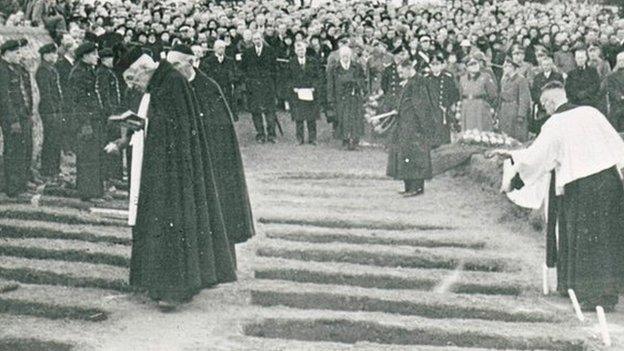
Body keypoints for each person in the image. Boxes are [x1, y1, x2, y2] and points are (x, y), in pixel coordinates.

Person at [108, 48, 237, 311]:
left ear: (143, 69)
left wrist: (146, 126)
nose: (134, 86)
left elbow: (172, 127)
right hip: (164, 169)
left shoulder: (171, 82)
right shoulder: (162, 82)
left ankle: (174, 290)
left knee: (174, 227)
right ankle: (160, 284)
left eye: (133, 80)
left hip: (173, 173)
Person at [494, 81, 624, 312]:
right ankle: (609, 294)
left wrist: (513, 175)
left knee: (585, 240)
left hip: (582, 186)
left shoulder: (555, 122)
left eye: (544, 106)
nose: (545, 110)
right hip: (610, 183)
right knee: (608, 237)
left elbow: (538, 157)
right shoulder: (592, 113)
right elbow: (617, 146)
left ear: (549, 102)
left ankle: (591, 295)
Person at [169, 45, 256, 262]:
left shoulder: (208, 87)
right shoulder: (172, 88)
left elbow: (220, 131)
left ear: (189, 63)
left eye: (175, 65)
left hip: (212, 162)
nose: (170, 71)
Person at [386, 61, 437, 197]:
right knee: (405, 155)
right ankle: (409, 186)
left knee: (415, 156)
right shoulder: (410, 82)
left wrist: (423, 127)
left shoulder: (418, 83)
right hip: (405, 125)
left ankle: (416, 188)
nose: (400, 75)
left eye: (402, 72)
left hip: (414, 127)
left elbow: (421, 107)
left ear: (409, 69)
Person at [67, 42, 104, 201]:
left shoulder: (88, 70)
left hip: (93, 119)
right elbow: (78, 102)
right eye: (94, 54)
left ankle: (94, 190)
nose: (97, 57)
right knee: (88, 156)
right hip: (85, 121)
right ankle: (87, 193)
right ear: (85, 56)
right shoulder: (79, 73)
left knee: (94, 155)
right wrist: (86, 124)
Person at [0, 39, 32, 197]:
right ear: (7, 53)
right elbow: (4, 98)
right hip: (11, 118)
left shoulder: (16, 68)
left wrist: (26, 113)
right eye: (16, 52)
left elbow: (24, 91)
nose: (19, 55)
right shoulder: (2, 69)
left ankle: (21, 184)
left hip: (22, 115)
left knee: (22, 150)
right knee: (13, 151)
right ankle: (12, 188)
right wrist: (13, 120)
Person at [241, 31, 278, 143]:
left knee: (270, 110)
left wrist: (271, 81)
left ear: (262, 39)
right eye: (255, 39)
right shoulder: (247, 52)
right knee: (256, 111)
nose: (257, 41)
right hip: (253, 86)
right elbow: (243, 68)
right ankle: (260, 134)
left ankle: (271, 134)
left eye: (258, 38)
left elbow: (274, 68)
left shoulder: (270, 51)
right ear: (252, 41)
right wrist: (248, 80)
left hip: (267, 85)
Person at [327, 46, 367, 150]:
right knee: (343, 119)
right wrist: (330, 99)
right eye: (343, 56)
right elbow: (330, 84)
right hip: (340, 97)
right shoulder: (334, 68)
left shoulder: (356, 66)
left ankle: (355, 141)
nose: (346, 58)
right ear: (340, 56)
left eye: (347, 56)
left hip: (354, 96)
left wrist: (356, 83)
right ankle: (345, 141)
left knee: (355, 118)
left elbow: (362, 79)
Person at [35, 43, 64, 180]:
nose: (55, 56)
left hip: (55, 110)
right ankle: (48, 170)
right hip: (49, 111)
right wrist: (53, 111)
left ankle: (54, 169)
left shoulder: (50, 68)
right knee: (50, 140)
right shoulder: (43, 70)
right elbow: (46, 94)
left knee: (55, 140)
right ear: (45, 55)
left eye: (56, 53)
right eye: (52, 53)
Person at [96, 48, 123, 183]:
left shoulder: (107, 72)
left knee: (114, 141)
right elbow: (104, 94)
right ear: (104, 59)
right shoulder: (103, 73)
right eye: (110, 58)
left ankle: (113, 174)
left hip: (113, 112)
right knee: (111, 142)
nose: (112, 61)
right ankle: (110, 174)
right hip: (109, 114)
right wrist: (110, 112)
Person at [288, 41, 322, 145]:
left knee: (311, 117)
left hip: (310, 92)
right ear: (295, 51)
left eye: (302, 49)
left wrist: (314, 87)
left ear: (305, 50)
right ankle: (299, 138)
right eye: (298, 50)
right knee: (299, 118)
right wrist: (293, 88)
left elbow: (318, 76)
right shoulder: (291, 63)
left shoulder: (313, 61)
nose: (300, 52)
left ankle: (312, 138)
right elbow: (288, 78)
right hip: (297, 93)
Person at [425, 52, 460, 146]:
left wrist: (450, 105)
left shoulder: (448, 78)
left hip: (444, 111)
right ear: (430, 66)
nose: (435, 67)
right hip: (430, 112)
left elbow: (454, 94)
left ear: (441, 65)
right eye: (433, 64)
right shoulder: (425, 79)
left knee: (444, 138)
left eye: (437, 64)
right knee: (431, 137)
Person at [199, 40, 239, 119]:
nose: (221, 49)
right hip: (215, 86)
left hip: (227, 86)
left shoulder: (229, 61)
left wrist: (232, 81)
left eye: (223, 48)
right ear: (215, 49)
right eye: (219, 48)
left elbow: (234, 73)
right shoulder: (208, 61)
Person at [458, 55, 498, 132]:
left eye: (476, 63)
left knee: (482, 130)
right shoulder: (463, 79)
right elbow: (460, 95)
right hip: (467, 107)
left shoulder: (486, 77)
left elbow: (493, 94)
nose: (474, 66)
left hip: (481, 107)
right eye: (471, 64)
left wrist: (486, 105)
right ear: (467, 67)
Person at [497, 57, 532, 142]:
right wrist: (498, 111)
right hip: (505, 110)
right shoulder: (504, 80)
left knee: (517, 136)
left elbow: (524, 98)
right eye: (504, 67)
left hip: (515, 110)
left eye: (507, 66)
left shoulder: (521, 79)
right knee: (505, 136)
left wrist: (521, 114)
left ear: (513, 68)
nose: (505, 69)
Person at [530, 55, 564, 134]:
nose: (546, 67)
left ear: (551, 65)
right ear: (541, 65)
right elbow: (534, 92)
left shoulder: (557, 76)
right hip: (541, 106)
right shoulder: (537, 77)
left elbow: (560, 90)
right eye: (544, 65)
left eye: (548, 65)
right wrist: (541, 101)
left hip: (553, 106)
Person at [601, 52, 624, 131]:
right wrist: (621, 97)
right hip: (617, 105)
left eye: (623, 60)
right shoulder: (611, 76)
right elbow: (610, 89)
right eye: (620, 60)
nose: (622, 62)